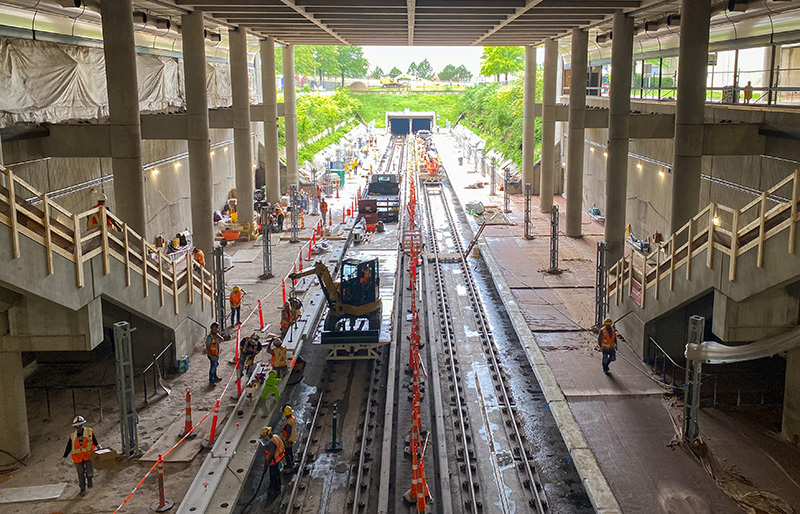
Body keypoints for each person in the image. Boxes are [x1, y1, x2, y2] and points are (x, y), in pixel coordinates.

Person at [63, 415, 100, 497]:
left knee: (89, 471)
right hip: (78, 457)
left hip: (88, 455)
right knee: (80, 473)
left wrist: (98, 447)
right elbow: (69, 446)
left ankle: (90, 480)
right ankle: (82, 489)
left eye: (80, 426)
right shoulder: (72, 436)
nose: (79, 428)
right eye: (77, 426)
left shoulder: (89, 431)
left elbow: (94, 440)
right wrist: (65, 456)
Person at [260, 426, 285, 492]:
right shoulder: (275, 437)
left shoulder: (271, 444)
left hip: (274, 461)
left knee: (273, 475)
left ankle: (275, 489)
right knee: (277, 473)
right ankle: (277, 485)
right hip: (279, 457)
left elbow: (270, 455)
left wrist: (267, 462)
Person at [281, 405, 298, 473]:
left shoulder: (288, 423)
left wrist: (286, 440)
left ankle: (290, 466)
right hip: (292, 438)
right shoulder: (292, 418)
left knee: (287, 452)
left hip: (289, 439)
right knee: (289, 451)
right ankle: (292, 462)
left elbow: (288, 433)